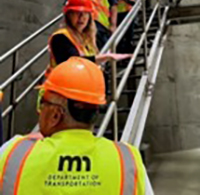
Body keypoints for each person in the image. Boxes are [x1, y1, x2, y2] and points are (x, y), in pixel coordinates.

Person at [0, 57, 147, 194]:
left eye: (42, 103)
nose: (40, 110)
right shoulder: (127, 159)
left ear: (56, 115)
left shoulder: (13, 153)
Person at [47, 0, 130, 76]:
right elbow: (72, 62)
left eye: (85, 13)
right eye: (77, 13)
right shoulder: (60, 37)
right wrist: (103, 58)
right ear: (68, 15)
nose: (81, 17)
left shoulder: (88, 40)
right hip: (61, 88)